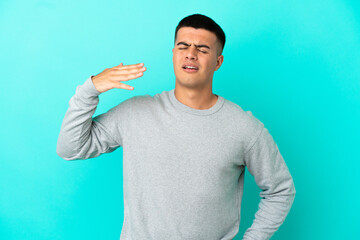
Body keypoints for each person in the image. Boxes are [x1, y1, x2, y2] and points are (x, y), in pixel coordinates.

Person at [56, 13, 296, 240]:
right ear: (173, 54)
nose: (191, 54)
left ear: (218, 62)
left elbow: (280, 190)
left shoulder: (244, 127)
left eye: (202, 49)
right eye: (183, 46)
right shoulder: (134, 112)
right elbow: (70, 148)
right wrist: (91, 89)